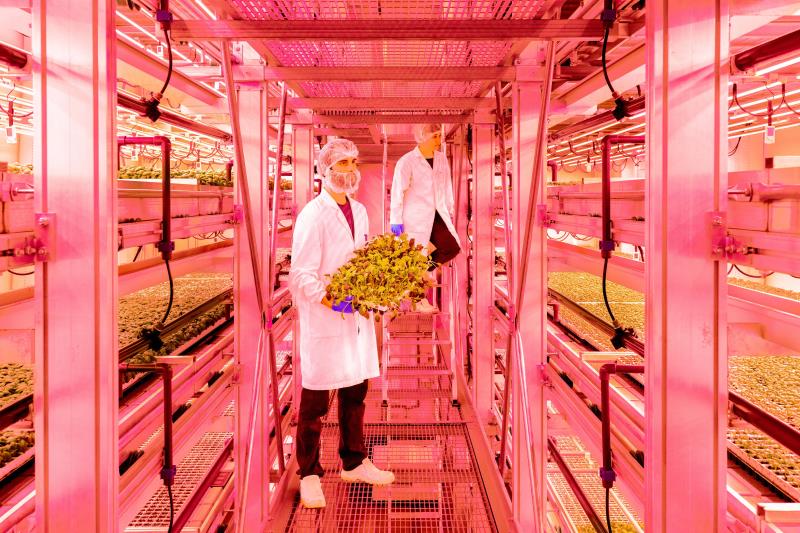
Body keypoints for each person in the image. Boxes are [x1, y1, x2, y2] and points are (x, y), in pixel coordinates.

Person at [288, 138, 395, 509]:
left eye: (354, 162)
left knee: (355, 395)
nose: (352, 170)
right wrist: (334, 300)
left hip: (357, 320)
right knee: (315, 404)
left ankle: (354, 461)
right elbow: (301, 274)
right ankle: (310, 475)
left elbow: (362, 260)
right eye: (345, 164)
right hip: (325, 321)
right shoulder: (312, 215)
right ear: (326, 169)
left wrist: (378, 289)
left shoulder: (361, 211)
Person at [389, 124, 461, 312]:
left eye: (439, 135)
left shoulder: (441, 158)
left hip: (438, 212)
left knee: (451, 247)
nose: (439, 140)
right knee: (417, 257)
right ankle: (419, 301)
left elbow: (446, 185)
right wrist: (395, 218)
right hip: (415, 216)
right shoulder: (407, 161)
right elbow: (398, 191)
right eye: (435, 136)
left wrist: (450, 207)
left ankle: (413, 276)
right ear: (423, 137)